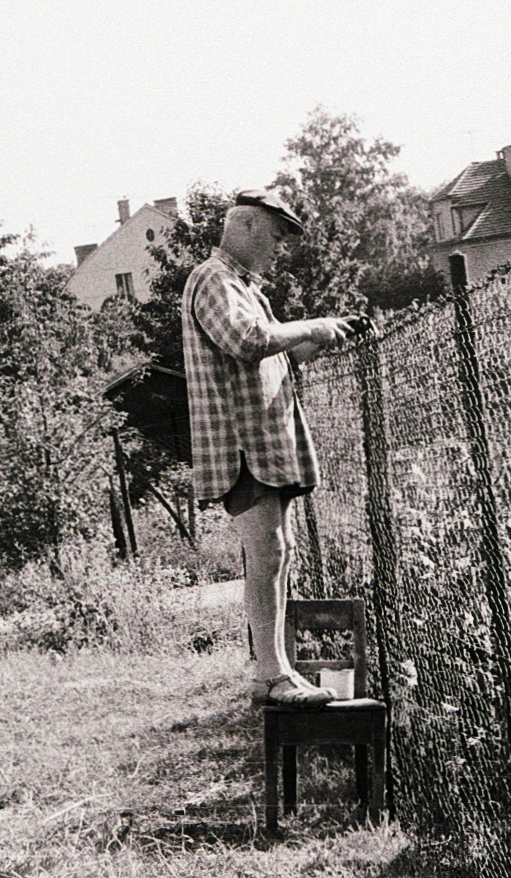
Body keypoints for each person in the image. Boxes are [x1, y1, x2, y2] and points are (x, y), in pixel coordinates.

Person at [181, 189, 368, 707]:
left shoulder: (242, 286)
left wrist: (325, 335)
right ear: (244, 228)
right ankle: (270, 675)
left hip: (262, 445)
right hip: (240, 446)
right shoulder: (212, 279)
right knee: (267, 554)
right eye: (275, 237)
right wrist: (310, 325)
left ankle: (277, 670)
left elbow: (270, 355)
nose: (279, 249)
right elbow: (246, 341)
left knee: (276, 554)